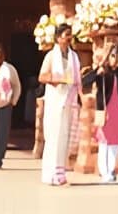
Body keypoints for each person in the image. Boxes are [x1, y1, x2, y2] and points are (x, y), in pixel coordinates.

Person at [38, 23, 81, 186]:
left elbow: (77, 80)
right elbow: (42, 76)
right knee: (54, 136)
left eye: (70, 34)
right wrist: (58, 79)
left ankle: (60, 174)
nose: (69, 38)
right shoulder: (51, 56)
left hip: (68, 100)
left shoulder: (74, 57)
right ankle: (50, 174)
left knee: (64, 136)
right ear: (58, 38)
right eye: (66, 35)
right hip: (55, 100)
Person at [82, 40, 118, 183]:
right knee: (104, 141)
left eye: (117, 56)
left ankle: (111, 170)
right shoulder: (103, 72)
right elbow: (85, 82)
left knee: (115, 141)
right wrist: (98, 70)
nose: (115, 59)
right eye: (113, 56)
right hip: (105, 109)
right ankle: (104, 171)